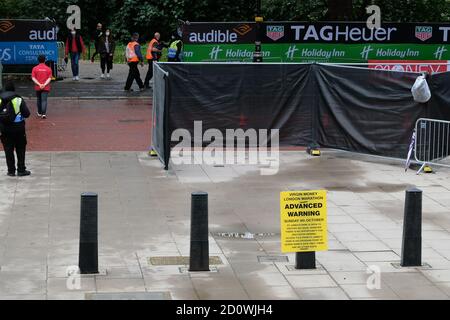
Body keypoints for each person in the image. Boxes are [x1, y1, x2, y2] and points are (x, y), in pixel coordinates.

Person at [0, 81, 31, 177]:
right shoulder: (18, 99)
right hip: (18, 128)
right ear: (14, 89)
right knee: (21, 148)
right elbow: (27, 113)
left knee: (8, 149)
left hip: (5, 128)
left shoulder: (0, 99)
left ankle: (11, 171)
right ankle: (21, 170)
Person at [31, 55, 52, 119]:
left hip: (38, 87)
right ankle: (44, 114)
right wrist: (44, 84)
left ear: (38, 60)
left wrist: (39, 84)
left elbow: (33, 78)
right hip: (46, 87)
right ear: (45, 60)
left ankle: (39, 112)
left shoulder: (35, 68)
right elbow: (49, 78)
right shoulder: (48, 69)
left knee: (39, 99)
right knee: (44, 100)